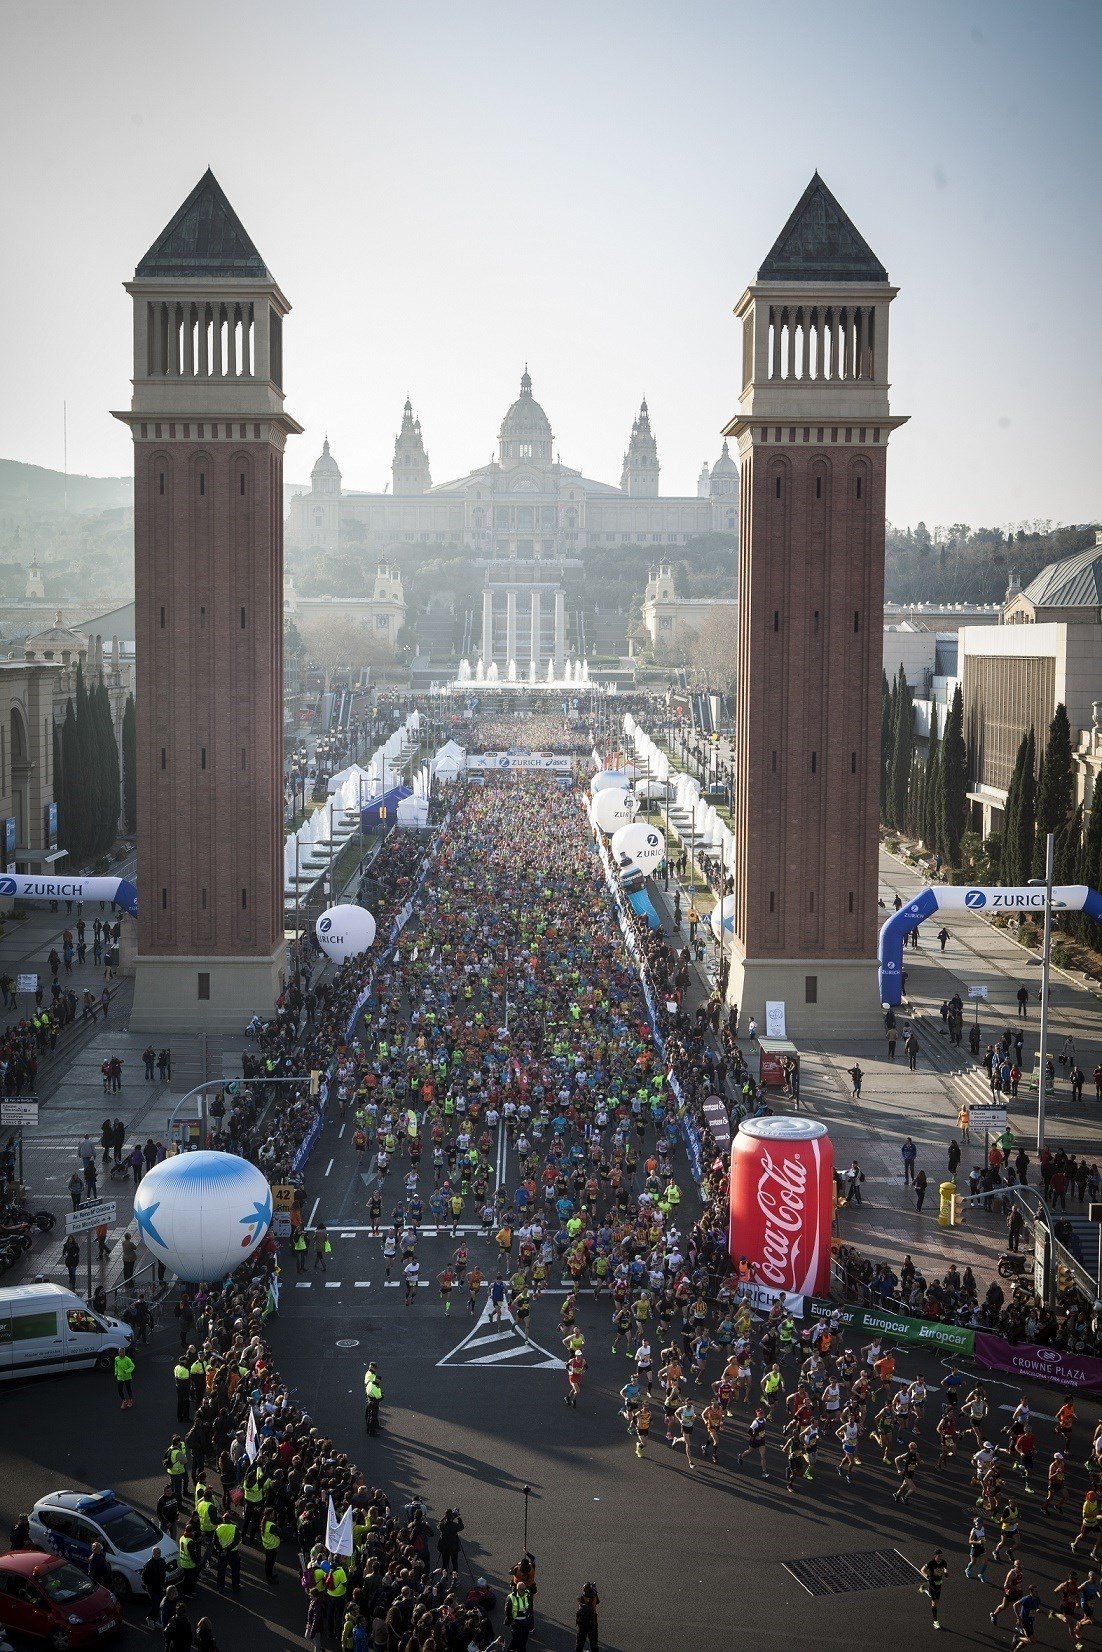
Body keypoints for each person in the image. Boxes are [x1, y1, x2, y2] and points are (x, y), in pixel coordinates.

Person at [920, 1549, 948, 1631]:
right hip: (932, 1584)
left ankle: (924, 1589)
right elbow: (922, 1570)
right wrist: (928, 1577)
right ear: (935, 1556)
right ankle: (935, 1621)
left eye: (941, 1556)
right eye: (939, 1556)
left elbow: (945, 1568)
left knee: (935, 1600)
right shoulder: (931, 1563)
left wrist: (946, 1572)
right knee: (934, 1603)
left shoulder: (943, 1562)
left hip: (939, 1584)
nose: (940, 1557)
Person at [142, 1546, 168, 1630]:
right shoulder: (149, 1564)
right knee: (156, 1603)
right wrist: (149, 1585)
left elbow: (163, 1573)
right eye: (157, 1553)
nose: (159, 1554)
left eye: (159, 1553)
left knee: (160, 1603)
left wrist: (163, 1584)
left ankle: (157, 1618)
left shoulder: (162, 1561)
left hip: (159, 1587)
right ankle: (150, 1618)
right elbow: (144, 1577)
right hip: (152, 1588)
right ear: (153, 1554)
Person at [575, 1584, 600, 1652]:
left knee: (580, 1641)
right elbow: (594, 1608)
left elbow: (579, 1606)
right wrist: (595, 1593)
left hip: (582, 1621)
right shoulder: (593, 1597)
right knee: (593, 1641)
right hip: (591, 1621)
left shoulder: (581, 1597)